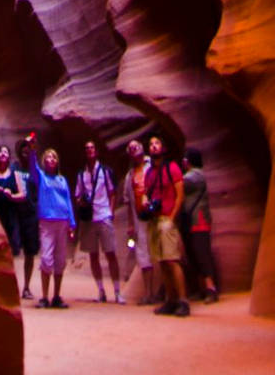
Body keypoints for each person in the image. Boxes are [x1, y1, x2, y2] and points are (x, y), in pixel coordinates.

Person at [138, 133, 190, 316]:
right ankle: (171, 300)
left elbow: (180, 194)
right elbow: (146, 193)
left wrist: (172, 217)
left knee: (172, 260)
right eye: (151, 144)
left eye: (157, 143)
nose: (153, 146)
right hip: (154, 221)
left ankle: (183, 301)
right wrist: (145, 201)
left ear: (163, 147)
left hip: (167, 220)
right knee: (162, 262)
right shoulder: (150, 173)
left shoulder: (173, 167)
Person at [74, 138, 123, 303]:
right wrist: (82, 202)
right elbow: (77, 196)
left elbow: (112, 192)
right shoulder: (82, 175)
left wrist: (110, 211)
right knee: (93, 256)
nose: (89, 150)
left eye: (92, 148)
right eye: (87, 148)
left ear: (97, 151)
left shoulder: (105, 171)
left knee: (111, 253)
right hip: (89, 219)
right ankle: (101, 291)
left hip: (103, 215)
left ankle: (117, 292)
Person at [35, 146, 76, 307]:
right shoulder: (41, 177)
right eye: (48, 157)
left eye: (54, 157)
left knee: (60, 260)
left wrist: (72, 222)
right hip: (47, 221)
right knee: (46, 258)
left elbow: (68, 201)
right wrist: (32, 150)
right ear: (44, 161)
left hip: (62, 221)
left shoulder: (62, 180)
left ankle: (56, 296)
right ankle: (44, 297)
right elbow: (33, 166)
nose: (51, 160)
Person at [178, 148, 219, 303]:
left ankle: (211, 289)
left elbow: (180, 184)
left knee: (202, 254)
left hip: (199, 220)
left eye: (185, 159)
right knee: (194, 254)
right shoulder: (193, 175)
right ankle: (203, 289)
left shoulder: (196, 175)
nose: (183, 161)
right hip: (192, 220)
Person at [121, 138, 158, 303]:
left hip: (156, 216)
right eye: (130, 148)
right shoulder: (130, 176)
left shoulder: (153, 166)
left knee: (160, 252)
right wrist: (130, 223)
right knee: (143, 255)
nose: (133, 149)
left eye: (135, 146)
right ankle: (148, 293)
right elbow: (128, 201)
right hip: (139, 219)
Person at [0, 143, 27, 264]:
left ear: (9, 157)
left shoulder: (15, 175)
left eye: (6, 152)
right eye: (1, 152)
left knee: (11, 248)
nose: (3, 154)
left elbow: (22, 195)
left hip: (10, 218)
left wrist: (11, 196)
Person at [13, 133, 41, 300]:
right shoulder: (14, 168)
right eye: (23, 149)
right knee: (13, 251)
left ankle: (26, 287)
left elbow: (37, 185)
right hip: (16, 214)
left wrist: (33, 151)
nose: (25, 152)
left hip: (30, 216)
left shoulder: (34, 170)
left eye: (27, 150)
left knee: (30, 253)